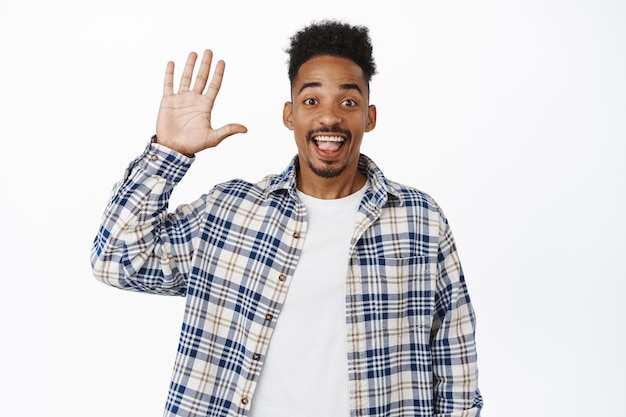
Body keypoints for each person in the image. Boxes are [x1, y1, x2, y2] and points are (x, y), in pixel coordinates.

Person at [91, 20, 482, 417]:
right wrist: (168, 153)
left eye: (348, 102)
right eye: (311, 101)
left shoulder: (419, 220)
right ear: (289, 114)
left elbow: (455, 357)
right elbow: (117, 261)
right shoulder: (229, 212)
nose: (329, 118)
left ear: (370, 116)